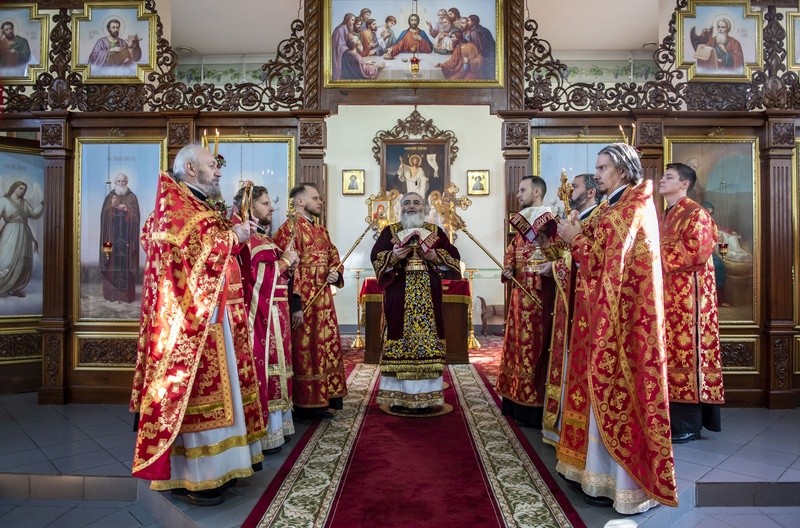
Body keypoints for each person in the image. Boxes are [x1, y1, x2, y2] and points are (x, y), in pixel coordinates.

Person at [130, 143, 266, 507]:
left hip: (217, 319)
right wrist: (232, 237)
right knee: (198, 396)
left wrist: (233, 234)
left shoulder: (196, 204)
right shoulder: (175, 206)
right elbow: (190, 253)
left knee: (226, 392)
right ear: (190, 169)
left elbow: (206, 244)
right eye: (212, 164)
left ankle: (224, 467)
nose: (219, 170)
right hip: (191, 324)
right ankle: (197, 476)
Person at [555, 143, 677, 514]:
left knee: (615, 392)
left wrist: (573, 238)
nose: (597, 174)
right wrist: (578, 233)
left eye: (602, 167)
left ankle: (620, 484)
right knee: (596, 392)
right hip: (600, 314)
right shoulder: (615, 205)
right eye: (596, 167)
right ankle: (592, 474)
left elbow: (606, 263)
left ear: (622, 170)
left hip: (622, 322)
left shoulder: (631, 208)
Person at [370, 192, 461, 413]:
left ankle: (428, 399)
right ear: (400, 207)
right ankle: (399, 398)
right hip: (398, 297)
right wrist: (394, 256)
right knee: (398, 343)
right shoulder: (389, 232)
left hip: (429, 298)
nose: (411, 206)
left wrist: (434, 257)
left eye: (416, 203)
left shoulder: (435, 232)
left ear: (424, 208)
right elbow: (376, 258)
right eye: (407, 203)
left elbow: (454, 260)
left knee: (429, 345)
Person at [658, 163, 724, 444]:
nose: (662, 180)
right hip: (668, 298)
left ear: (684, 184)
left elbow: (695, 251)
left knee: (687, 355)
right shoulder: (665, 214)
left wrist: (652, 256)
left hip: (691, 303)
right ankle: (670, 420)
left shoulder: (696, 213)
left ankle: (689, 424)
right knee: (670, 354)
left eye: (669, 177)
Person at [234, 185, 299, 454]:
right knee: (267, 366)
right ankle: (265, 431)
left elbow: (276, 273)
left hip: (277, 313)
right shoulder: (250, 239)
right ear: (249, 207)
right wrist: (285, 262)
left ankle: (279, 427)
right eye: (265, 203)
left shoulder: (263, 237)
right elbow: (256, 280)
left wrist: (288, 264)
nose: (272, 207)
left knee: (280, 366)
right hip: (263, 315)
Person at [273, 183, 347, 421]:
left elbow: (333, 255)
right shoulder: (289, 229)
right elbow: (288, 270)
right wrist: (295, 306)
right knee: (307, 350)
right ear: (300, 201)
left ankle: (326, 398)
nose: (320, 201)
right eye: (315, 198)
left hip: (323, 301)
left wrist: (335, 272)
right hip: (304, 302)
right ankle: (306, 404)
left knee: (325, 347)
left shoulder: (321, 230)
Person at [542, 173, 603, 447]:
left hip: (584, 304)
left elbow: (592, 263)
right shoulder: (578, 219)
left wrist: (555, 266)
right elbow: (567, 256)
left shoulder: (596, 219)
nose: (569, 191)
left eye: (574, 187)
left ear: (590, 192)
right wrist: (550, 250)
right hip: (568, 301)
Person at [497, 176, 557, 429]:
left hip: (541, 295)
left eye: (523, 190)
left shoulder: (552, 221)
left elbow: (560, 253)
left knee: (536, 347)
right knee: (516, 347)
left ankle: (533, 406)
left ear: (537, 191)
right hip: (519, 295)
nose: (518, 195)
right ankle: (514, 399)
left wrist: (550, 264)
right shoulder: (522, 222)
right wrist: (509, 267)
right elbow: (512, 250)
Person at [99, 172, 140, 303]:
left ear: (127, 182)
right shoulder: (109, 198)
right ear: (115, 182)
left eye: (124, 181)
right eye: (119, 181)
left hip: (127, 241)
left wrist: (127, 210)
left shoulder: (132, 198)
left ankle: (126, 296)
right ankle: (112, 294)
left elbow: (136, 218)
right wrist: (113, 207)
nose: (121, 183)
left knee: (126, 265)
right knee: (111, 262)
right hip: (111, 239)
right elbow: (104, 217)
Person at [0, 181, 44, 297]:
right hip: (9, 233)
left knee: (21, 261)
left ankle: (15, 288)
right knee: (6, 259)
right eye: (20, 188)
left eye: (24, 189)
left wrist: (42, 203)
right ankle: (2, 285)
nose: (22, 191)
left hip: (24, 234)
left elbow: (34, 214)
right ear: (14, 188)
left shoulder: (24, 202)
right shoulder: (3, 201)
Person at [331, 13, 356, 80]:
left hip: (343, 53)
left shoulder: (346, 28)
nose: (353, 22)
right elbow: (340, 46)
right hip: (338, 54)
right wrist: (350, 49)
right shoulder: (340, 29)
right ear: (347, 19)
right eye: (352, 20)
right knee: (338, 73)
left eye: (354, 20)